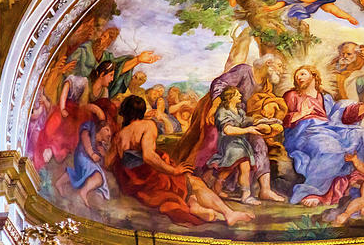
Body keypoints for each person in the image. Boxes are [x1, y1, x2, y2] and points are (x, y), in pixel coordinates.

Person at [106, 95, 254, 226]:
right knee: (193, 181)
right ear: (142, 111)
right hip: (149, 178)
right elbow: (148, 156)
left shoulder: (119, 135)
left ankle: (194, 205)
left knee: (187, 185)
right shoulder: (147, 125)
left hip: (132, 183)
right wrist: (173, 170)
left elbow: (108, 162)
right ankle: (229, 213)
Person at [174, 54, 287, 202]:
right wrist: (215, 105)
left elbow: (260, 103)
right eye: (279, 66)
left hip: (240, 119)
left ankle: (265, 189)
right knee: (212, 141)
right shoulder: (244, 71)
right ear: (269, 63)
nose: (281, 70)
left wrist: (267, 113)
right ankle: (200, 185)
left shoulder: (267, 84)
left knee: (259, 143)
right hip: (221, 112)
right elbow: (220, 83)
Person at [283, 65, 364, 205]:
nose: (299, 77)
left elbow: (339, 116)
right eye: (297, 76)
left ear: (313, 76)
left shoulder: (326, 98)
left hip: (330, 129)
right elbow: (283, 119)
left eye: (303, 74)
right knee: (331, 148)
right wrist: (300, 114)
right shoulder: (292, 95)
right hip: (306, 131)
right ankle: (313, 191)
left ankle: (361, 179)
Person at [207, 87, 274, 205]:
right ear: (230, 97)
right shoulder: (222, 111)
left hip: (241, 144)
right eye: (237, 94)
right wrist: (248, 129)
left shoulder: (240, 111)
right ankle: (245, 195)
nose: (240, 95)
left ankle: (218, 191)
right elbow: (228, 130)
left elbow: (247, 121)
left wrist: (264, 121)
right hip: (230, 144)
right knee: (236, 168)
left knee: (234, 169)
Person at [55, 119, 112, 207]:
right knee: (98, 177)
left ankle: (59, 182)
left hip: (86, 159)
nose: (109, 133)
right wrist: (92, 154)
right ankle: (83, 192)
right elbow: (84, 136)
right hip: (83, 156)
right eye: (107, 129)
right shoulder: (91, 128)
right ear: (100, 128)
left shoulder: (100, 144)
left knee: (79, 174)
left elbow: (105, 160)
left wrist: (103, 151)